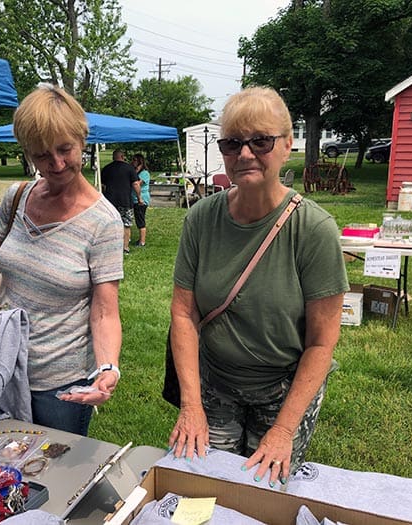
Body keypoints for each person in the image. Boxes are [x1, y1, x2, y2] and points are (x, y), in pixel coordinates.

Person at [167, 86, 349, 487]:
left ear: (287, 146)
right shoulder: (201, 218)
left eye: (260, 141)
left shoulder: (314, 230)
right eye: (232, 143)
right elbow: (183, 312)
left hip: (283, 388)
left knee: (264, 491)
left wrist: (284, 432)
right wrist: (191, 405)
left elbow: (322, 342)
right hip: (215, 380)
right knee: (204, 484)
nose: (245, 154)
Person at [0, 84, 124, 436]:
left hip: (61, 382)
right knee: (1, 464)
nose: (55, 164)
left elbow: (104, 311)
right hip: (2, 365)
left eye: (65, 149)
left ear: (82, 141)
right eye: (41, 155)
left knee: (58, 474)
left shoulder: (104, 222)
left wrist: (108, 367)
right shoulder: (18, 197)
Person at [101, 149, 139, 253]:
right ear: (123, 157)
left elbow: (103, 186)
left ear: (113, 157)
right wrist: (139, 198)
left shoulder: (106, 169)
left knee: (110, 224)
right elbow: (135, 184)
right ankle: (125, 247)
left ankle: (111, 247)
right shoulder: (129, 168)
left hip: (110, 202)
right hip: (125, 201)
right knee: (126, 224)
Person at [130, 153, 151, 246]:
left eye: (134, 160)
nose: (132, 161)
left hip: (141, 200)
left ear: (140, 161)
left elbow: (137, 184)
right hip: (133, 199)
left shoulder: (145, 173)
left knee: (140, 220)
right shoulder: (134, 172)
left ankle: (142, 241)